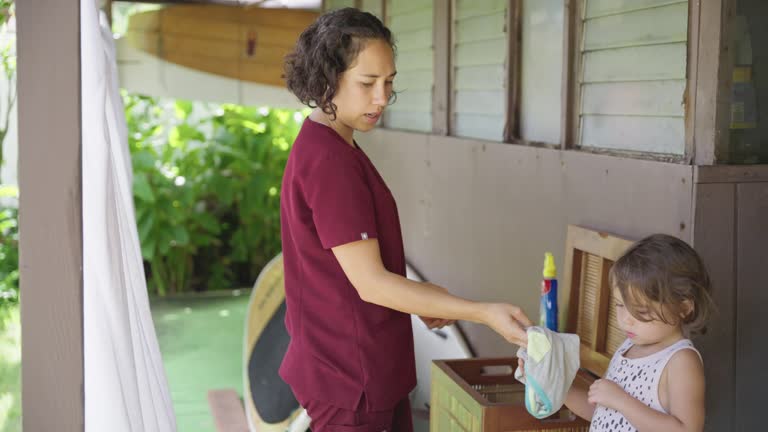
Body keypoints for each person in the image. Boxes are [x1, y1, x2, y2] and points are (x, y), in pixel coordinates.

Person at [279, 8, 532, 432]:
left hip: (363, 367)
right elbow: (371, 283)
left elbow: (357, 275)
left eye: (389, 82)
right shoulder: (330, 162)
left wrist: (425, 296)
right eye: (367, 83)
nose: (381, 98)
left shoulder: (334, 144)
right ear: (326, 79)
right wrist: (483, 313)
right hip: (349, 377)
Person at [524, 234, 714, 432]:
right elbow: (600, 411)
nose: (626, 319)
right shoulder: (628, 347)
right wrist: (552, 384)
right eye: (620, 305)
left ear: (683, 308)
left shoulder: (681, 360)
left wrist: (622, 401)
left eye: (641, 311)